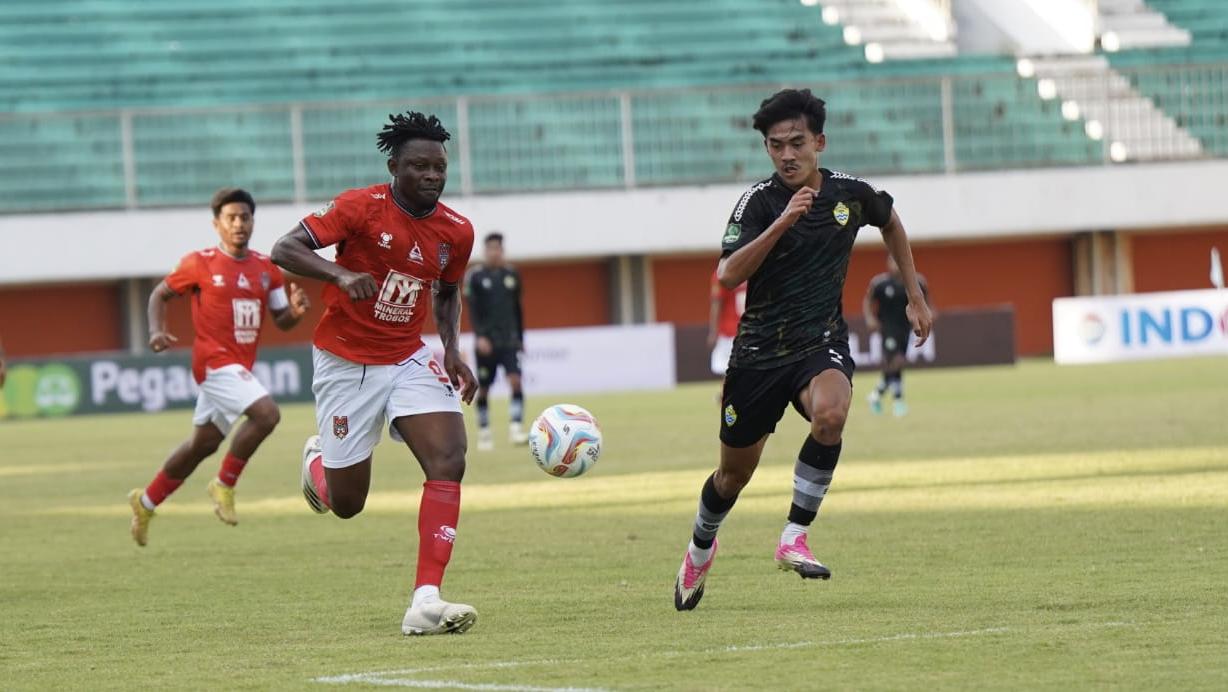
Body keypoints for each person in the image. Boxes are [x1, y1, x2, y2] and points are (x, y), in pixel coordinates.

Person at [673, 89, 932, 611]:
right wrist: (784, 221)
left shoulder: (850, 194)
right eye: (776, 146)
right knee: (732, 477)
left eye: (797, 143)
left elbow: (890, 221)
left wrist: (915, 296)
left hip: (820, 343)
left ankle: (794, 535)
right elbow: (728, 274)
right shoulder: (757, 202)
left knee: (831, 414)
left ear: (820, 142)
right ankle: (701, 548)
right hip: (757, 356)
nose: (787, 155)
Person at [270, 111, 479, 636]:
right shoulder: (359, 207)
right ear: (394, 167)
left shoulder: (457, 230)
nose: (432, 175)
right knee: (347, 504)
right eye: (419, 166)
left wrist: (452, 350)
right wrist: (340, 273)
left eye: (439, 167)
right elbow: (284, 249)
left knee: (449, 458)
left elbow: (447, 291)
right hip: (346, 362)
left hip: (408, 356)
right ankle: (319, 463)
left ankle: (425, 600)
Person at [128, 188, 310, 546]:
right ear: (217, 224)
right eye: (231, 218)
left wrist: (296, 312)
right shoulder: (200, 263)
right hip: (212, 362)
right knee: (267, 415)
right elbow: (160, 294)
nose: (239, 224)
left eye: (245, 217)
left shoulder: (267, 270)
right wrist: (156, 331)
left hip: (239, 366)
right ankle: (225, 484)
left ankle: (145, 502)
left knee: (202, 445)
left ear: (253, 222)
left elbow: (281, 319)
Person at [464, 232, 527, 451]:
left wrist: (520, 337)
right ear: (485, 251)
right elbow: (472, 310)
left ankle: (516, 428)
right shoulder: (475, 276)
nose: (494, 253)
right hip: (486, 342)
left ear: (502, 250)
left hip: (509, 340)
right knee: (484, 388)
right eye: (490, 249)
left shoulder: (512, 275)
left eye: (497, 248)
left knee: (515, 381)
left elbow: (517, 309)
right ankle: (484, 432)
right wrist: (480, 336)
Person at [864, 255, 931, 417]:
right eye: (892, 261)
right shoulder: (880, 283)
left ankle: (877, 395)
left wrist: (928, 313)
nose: (895, 265)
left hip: (905, 329)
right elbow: (867, 300)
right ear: (888, 263)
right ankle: (898, 400)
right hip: (887, 328)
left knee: (896, 363)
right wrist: (870, 318)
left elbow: (925, 300)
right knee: (897, 361)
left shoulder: (916, 282)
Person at [707, 268, 747, 378]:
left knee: (727, 373)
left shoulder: (722, 273)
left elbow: (716, 303)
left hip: (729, 332)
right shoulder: (753, 269)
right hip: (750, 330)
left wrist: (713, 332)